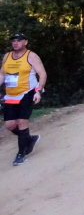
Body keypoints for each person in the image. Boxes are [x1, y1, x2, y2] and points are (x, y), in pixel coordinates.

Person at [1, 33, 47, 166]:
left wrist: (38, 91)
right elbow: (2, 74)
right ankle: (29, 139)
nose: (15, 43)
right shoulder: (7, 56)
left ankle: (21, 154)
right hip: (11, 95)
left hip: (28, 92)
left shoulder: (31, 56)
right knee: (9, 125)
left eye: (19, 40)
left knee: (22, 122)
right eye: (13, 41)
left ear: (25, 42)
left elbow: (42, 74)